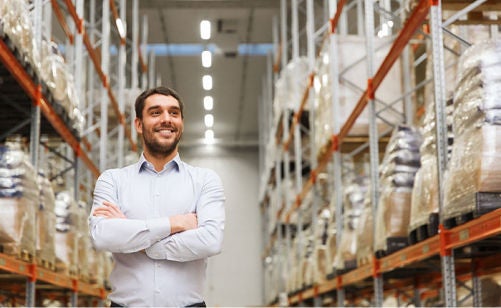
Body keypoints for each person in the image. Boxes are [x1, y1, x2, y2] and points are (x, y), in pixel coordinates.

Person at [89, 86, 226, 307]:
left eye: (174, 113)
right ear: (139, 125)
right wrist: (175, 223)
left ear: (181, 122)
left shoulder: (205, 181)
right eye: (155, 112)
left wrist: (137, 237)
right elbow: (102, 236)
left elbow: (211, 241)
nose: (166, 119)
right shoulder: (112, 180)